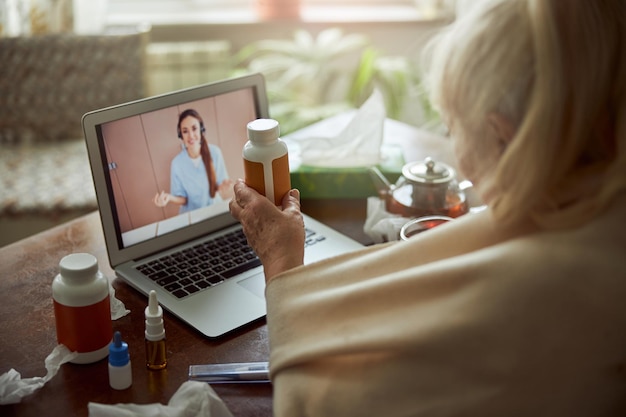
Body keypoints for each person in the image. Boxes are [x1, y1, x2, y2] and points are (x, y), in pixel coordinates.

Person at [230, 0, 626, 415]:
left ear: (504, 140)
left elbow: (320, 404)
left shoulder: (543, 293)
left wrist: (280, 260)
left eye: (453, 128)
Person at [154, 109, 233, 213]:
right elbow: (183, 199)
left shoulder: (215, 153)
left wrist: (223, 187)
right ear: (181, 136)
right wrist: (169, 198)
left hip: (213, 208)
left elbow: (218, 186)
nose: (190, 135)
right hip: (190, 214)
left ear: (201, 130)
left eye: (194, 129)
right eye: (185, 131)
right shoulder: (176, 164)